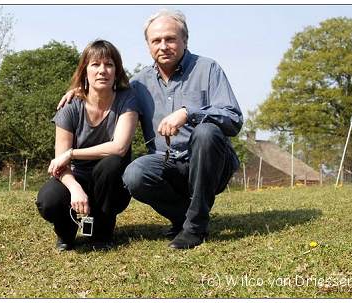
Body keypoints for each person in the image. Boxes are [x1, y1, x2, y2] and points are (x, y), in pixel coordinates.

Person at [58, 10, 243, 249]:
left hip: (210, 163)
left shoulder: (208, 69)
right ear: (148, 45)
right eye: (156, 40)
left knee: (206, 132)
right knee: (134, 173)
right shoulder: (138, 84)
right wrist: (79, 91)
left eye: (170, 39)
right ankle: (186, 217)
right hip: (167, 164)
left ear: (185, 40)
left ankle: (194, 227)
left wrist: (189, 113)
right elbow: (107, 90)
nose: (163, 46)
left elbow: (234, 118)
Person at [36, 39, 139, 251]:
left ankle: (102, 230)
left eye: (109, 64)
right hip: (76, 176)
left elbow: (119, 147)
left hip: (110, 184)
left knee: (111, 163)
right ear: (85, 71)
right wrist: (75, 189)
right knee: (49, 199)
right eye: (95, 64)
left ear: (117, 71)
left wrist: (72, 153)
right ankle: (66, 230)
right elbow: (59, 165)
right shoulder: (69, 108)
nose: (103, 70)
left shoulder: (127, 99)